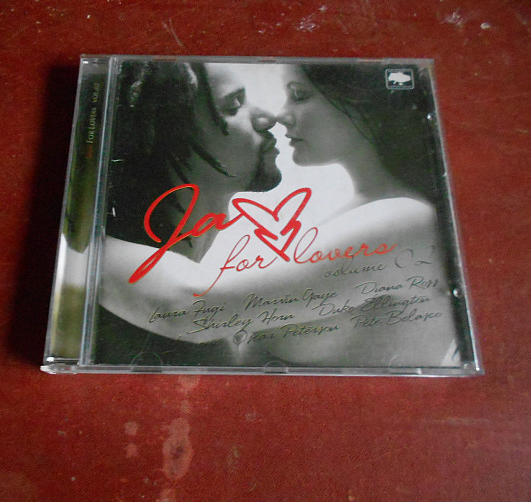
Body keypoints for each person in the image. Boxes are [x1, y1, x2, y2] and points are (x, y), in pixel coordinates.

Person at [99, 62, 462, 368]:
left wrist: (80, 246)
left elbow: (189, 307)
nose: (278, 115)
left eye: (299, 95)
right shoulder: (353, 221)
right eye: (234, 104)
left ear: (363, 104)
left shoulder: (405, 221)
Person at [94, 60, 281, 365]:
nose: (269, 118)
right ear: (171, 131)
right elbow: (191, 302)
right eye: (234, 105)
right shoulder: (95, 258)